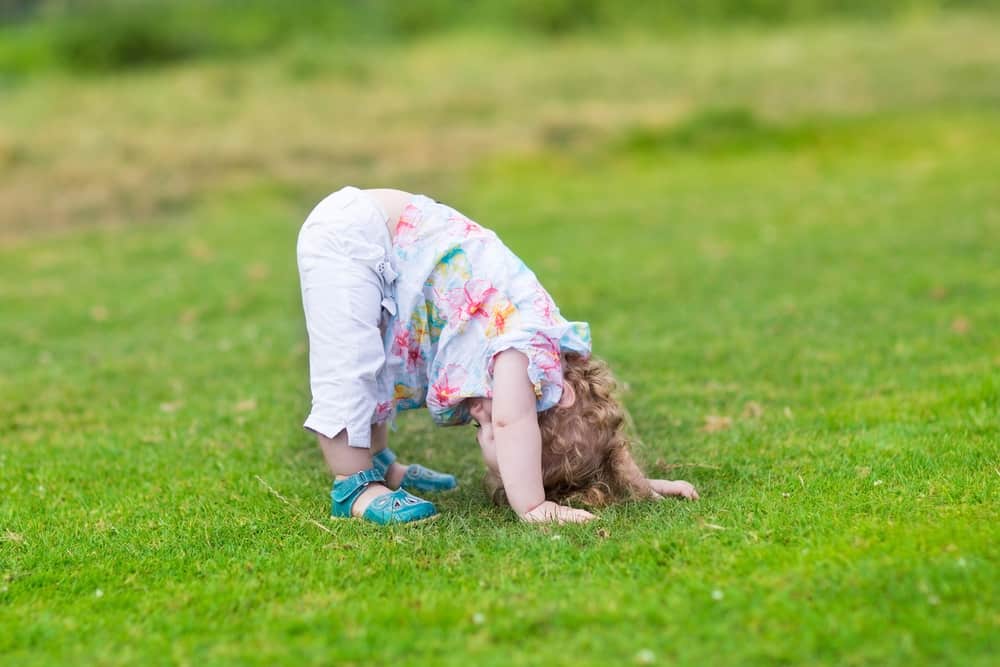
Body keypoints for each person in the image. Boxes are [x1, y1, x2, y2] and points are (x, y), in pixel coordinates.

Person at [296, 186, 698, 525]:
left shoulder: (551, 355)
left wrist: (633, 483)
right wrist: (533, 505)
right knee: (350, 364)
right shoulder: (522, 357)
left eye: (480, 427)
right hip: (355, 235)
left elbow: (602, 432)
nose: (480, 417)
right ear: (549, 401)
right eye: (488, 429)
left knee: (378, 357)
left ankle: (378, 462)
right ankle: (354, 485)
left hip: (387, 239)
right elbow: (511, 420)